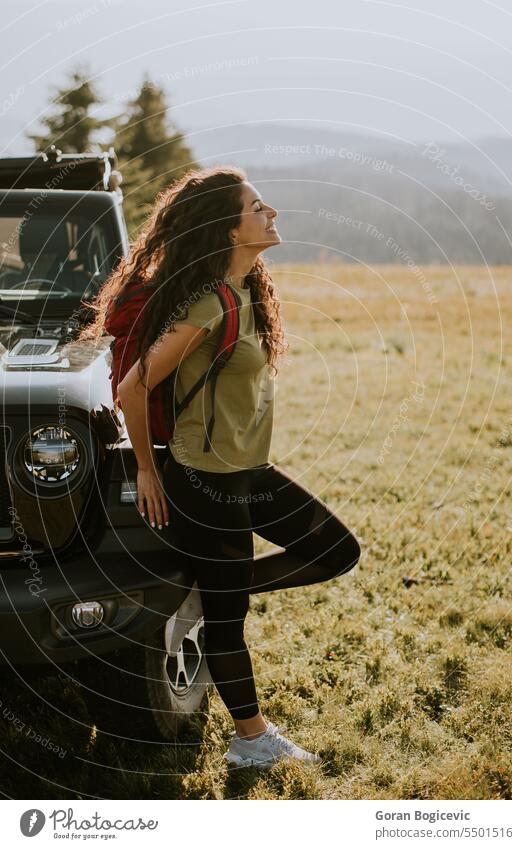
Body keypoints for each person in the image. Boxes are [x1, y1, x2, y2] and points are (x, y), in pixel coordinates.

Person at [82, 166, 361, 769]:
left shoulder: (244, 292)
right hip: (202, 478)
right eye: (258, 208)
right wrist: (150, 474)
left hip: (245, 471)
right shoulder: (207, 305)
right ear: (227, 228)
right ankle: (251, 739)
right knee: (230, 625)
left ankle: (211, 594)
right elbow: (132, 390)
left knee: (336, 550)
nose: (272, 214)